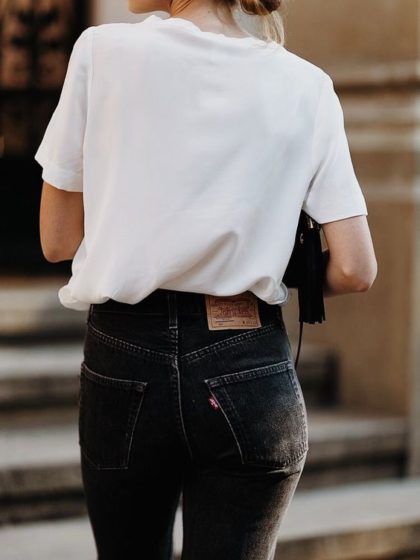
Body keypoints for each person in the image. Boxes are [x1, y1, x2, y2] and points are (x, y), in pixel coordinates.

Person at [34, 0, 378, 558]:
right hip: (248, 363)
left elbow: (57, 240)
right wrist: (256, 259)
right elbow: (356, 268)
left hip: (127, 359)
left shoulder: (101, 51)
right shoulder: (306, 85)